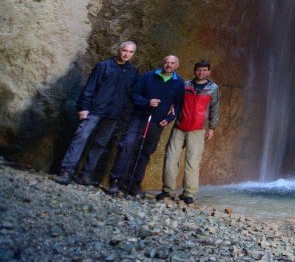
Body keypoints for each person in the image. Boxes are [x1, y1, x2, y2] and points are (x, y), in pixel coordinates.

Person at [55, 41, 139, 186]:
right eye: (125, 50)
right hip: (94, 110)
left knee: (100, 144)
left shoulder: (132, 72)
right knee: (81, 137)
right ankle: (66, 171)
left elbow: (129, 95)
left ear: (133, 54)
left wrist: (123, 113)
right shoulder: (104, 66)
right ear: (119, 50)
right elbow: (90, 87)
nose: (126, 54)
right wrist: (83, 107)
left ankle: (86, 175)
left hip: (113, 114)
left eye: (131, 52)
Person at [106, 55, 185, 196]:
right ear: (162, 63)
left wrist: (169, 118)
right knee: (126, 146)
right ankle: (116, 181)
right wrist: (147, 102)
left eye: (172, 63)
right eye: (166, 62)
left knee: (145, 153)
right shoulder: (148, 76)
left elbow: (178, 104)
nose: (169, 65)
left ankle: (134, 184)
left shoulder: (179, 83)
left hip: (157, 122)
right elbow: (134, 95)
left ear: (177, 66)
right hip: (139, 118)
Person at [157, 60, 221, 205]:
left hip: (198, 130)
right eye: (199, 70)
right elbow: (175, 103)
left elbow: (215, 109)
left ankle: (188, 193)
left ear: (209, 72)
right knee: (170, 158)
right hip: (179, 127)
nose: (201, 72)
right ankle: (168, 190)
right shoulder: (185, 85)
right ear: (194, 71)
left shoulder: (213, 88)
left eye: (205, 70)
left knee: (192, 162)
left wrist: (212, 128)